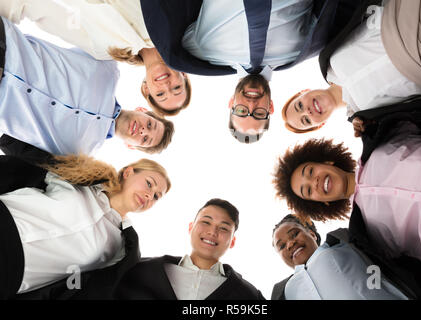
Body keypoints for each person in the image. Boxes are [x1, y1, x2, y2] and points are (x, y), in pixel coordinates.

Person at [139, 0, 365, 143]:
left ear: (231, 103)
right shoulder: (304, 49)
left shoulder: (196, 51)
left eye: (241, 111)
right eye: (258, 114)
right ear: (271, 108)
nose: (251, 105)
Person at [0, 150, 171, 299]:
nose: (150, 195)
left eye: (156, 196)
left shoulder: (122, 247)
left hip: (13, 272)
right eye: (149, 184)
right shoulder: (82, 178)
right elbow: (30, 157)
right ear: (128, 172)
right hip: (6, 218)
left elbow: (84, 287)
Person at [273, 135, 421, 273]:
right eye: (308, 191)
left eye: (310, 171)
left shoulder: (381, 142)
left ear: (326, 162)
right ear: (322, 203)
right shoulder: (367, 233)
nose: (315, 182)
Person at [0, 16, 174, 156]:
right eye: (150, 125)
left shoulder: (79, 155)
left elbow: (15, 148)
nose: (143, 131)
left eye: (145, 140)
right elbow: (80, 19)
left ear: (131, 146)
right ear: (142, 110)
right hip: (7, 46)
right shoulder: (108, 68)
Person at [282, 0, 421, 133]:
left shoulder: (328, 60)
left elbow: (357, 14)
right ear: (320, 125)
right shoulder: (364, 119)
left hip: (408, 16)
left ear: (302, 93)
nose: (307, 112)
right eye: (306, 120)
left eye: (299, 106)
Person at [0, 0, 192, 116]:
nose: (166, 86)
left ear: (145, 88)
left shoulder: (107, 50)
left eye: (160, 95)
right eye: (176, 88)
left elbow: (48, 15)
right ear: (183, 74)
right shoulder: (176, 26)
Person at [115, 198, 265, 299]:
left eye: (224, 228)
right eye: (206, 222)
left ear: (232, 242)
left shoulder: (249, 296)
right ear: (190, 228)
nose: (212, 232)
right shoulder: (139, 270)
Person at [271, 214, 411, 299]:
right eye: (282, 246)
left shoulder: (343, 244)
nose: (290, 244)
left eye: (294, 234)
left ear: (312, 234)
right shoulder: (287, 291)